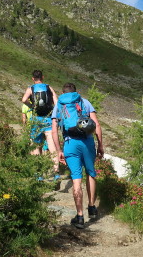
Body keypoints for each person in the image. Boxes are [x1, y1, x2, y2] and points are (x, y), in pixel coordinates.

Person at [51, 82, 104, 229]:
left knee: (76, 178)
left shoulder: (59, 106)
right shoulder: (84, 102)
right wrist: (100, 145)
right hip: (87, 142)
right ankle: (92, 207)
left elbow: (54, 130)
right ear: (76, 92)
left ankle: (80, 216)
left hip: (70, 144)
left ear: (63, 92)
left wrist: (58, 151)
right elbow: (97, 125)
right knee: (90, 173)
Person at [21, 70, 59, 179]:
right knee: (52, 146)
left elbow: (24, 99)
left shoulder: (31, 88)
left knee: (35, 146)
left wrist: (32, 106)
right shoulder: (48, 87)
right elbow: (56, 102)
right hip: (48, 119)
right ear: (43, 77)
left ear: (33, 78)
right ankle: (56, 173)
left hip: (36, 121)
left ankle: (38, 174)